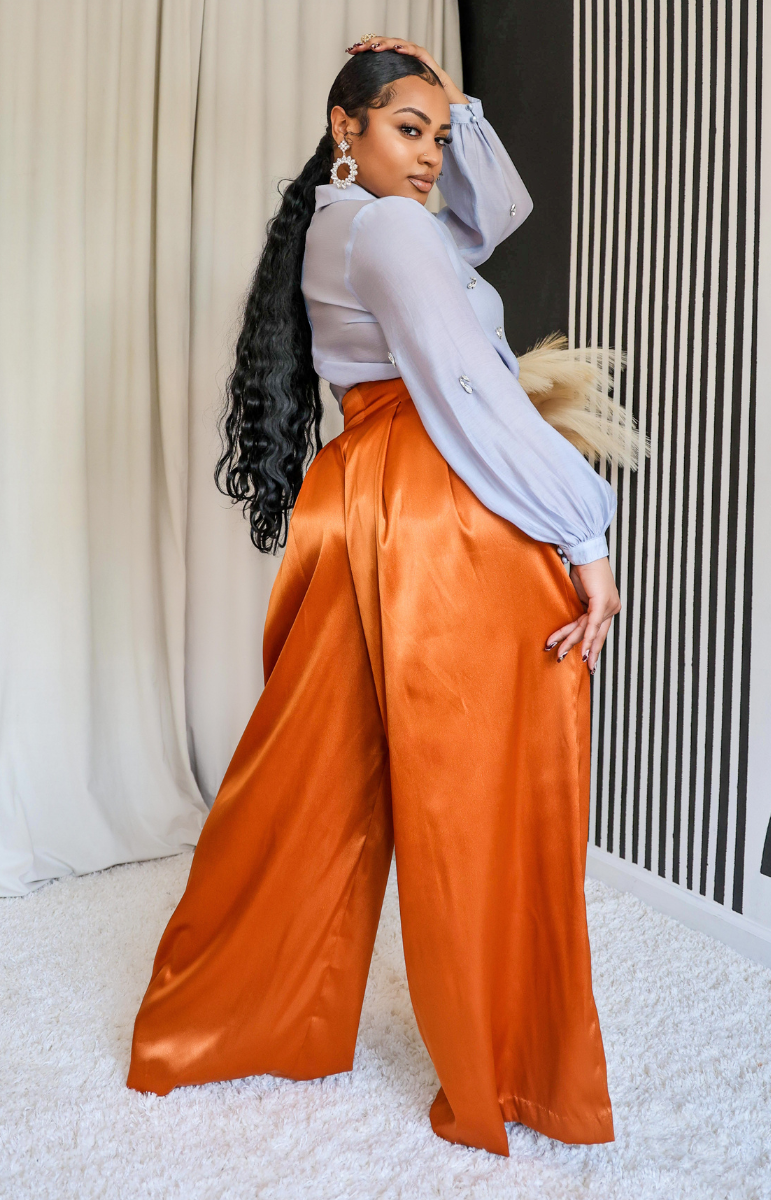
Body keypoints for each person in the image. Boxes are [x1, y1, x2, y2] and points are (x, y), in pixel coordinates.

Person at [127, 36, 620, 1158]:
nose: (433, 156)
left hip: (359, 500)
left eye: (438, 137)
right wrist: (582, 529)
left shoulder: (350, 222)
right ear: (342, 128)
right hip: (436, 506)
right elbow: (468, 388)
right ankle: (508, 1067)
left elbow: (495, 213)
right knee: (486, 785)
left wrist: (449, 103)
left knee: (309, 779)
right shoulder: (389, 230)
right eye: (409, 130)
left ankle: (220, 1017)